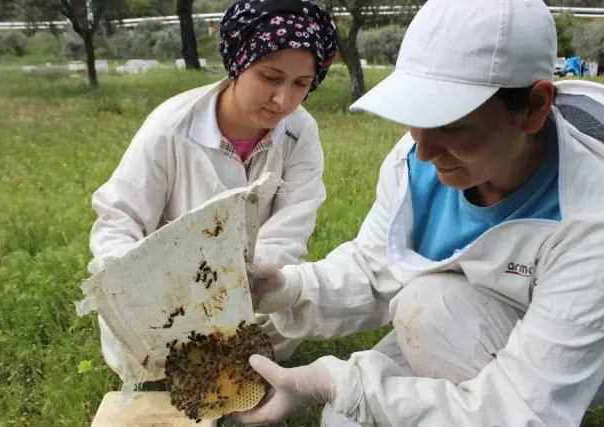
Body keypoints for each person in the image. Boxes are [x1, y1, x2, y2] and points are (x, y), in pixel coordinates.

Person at [233, 0, 604, 426]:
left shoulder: (589, 216)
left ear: (535, 107)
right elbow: (376, 270)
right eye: (415, 117)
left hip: (580, 343)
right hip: (463, 310)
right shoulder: (415, 162)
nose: (424, 150)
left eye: (451, 124)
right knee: (346, 418)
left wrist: (349, 384)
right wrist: (287, 288)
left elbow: (525, 410)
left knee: (411, 335)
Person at [86, 0, 338, 394]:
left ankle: (245, 374)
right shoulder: (170, 130)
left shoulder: (299, 132)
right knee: (147, 348)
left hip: (246, 290)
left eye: (301, 84)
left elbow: (293, 220)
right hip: (168, 294)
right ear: (238, 63)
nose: (283, 101)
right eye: (270, 77)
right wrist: (150, 291)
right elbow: (119, 220)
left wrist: (254, 280)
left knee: (299, 304)